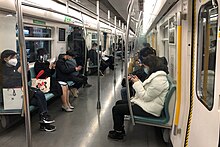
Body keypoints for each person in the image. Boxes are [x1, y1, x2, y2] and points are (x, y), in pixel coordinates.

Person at [108, 55, 169, 140]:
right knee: (119, 103)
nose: (145, 68)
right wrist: (137, 80)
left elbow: (146, 97)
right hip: (149, 104)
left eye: (146, 66)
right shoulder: (156, 77)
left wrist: (136, 83)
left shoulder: (159, 80)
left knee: (116, 109)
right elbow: (147, 91)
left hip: (150, 109)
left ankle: (118, 133)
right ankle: (119, 129)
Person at [0, 49, 56, 132]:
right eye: (12, 57)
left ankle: (44, 120)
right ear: (5, 59)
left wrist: (27, 72)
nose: (15, 59)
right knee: (39, 94)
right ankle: (44, 121)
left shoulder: (17, 65)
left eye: (15, 57)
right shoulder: (2, 69)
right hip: (11, 94)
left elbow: (26, 80)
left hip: (22, 92)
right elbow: (6, 83)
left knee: (39, 99)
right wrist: (18, 73)